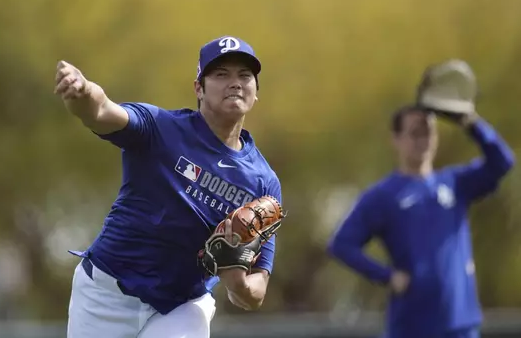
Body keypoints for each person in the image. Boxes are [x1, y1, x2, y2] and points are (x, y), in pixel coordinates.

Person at [55, 36, 282, 338]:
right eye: (221, 74)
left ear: (256, 93)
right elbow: (101, 111)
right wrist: (82, 92)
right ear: (198, 88)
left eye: (245, 76)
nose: (235, 83)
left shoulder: (262, 182)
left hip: (182, 305)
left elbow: (255, 292)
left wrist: (235, 279)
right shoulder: (161, 128)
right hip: (106, 292)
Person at [327, 105, 515, 338]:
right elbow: (341, 244)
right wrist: (387, 276)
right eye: (415, 133)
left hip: (460, 325)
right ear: (396, 139)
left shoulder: (455, 183)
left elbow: (502, 162)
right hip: (412, 327)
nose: (423, 140)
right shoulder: (384, 195)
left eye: (429, 132)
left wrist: (471, 122)